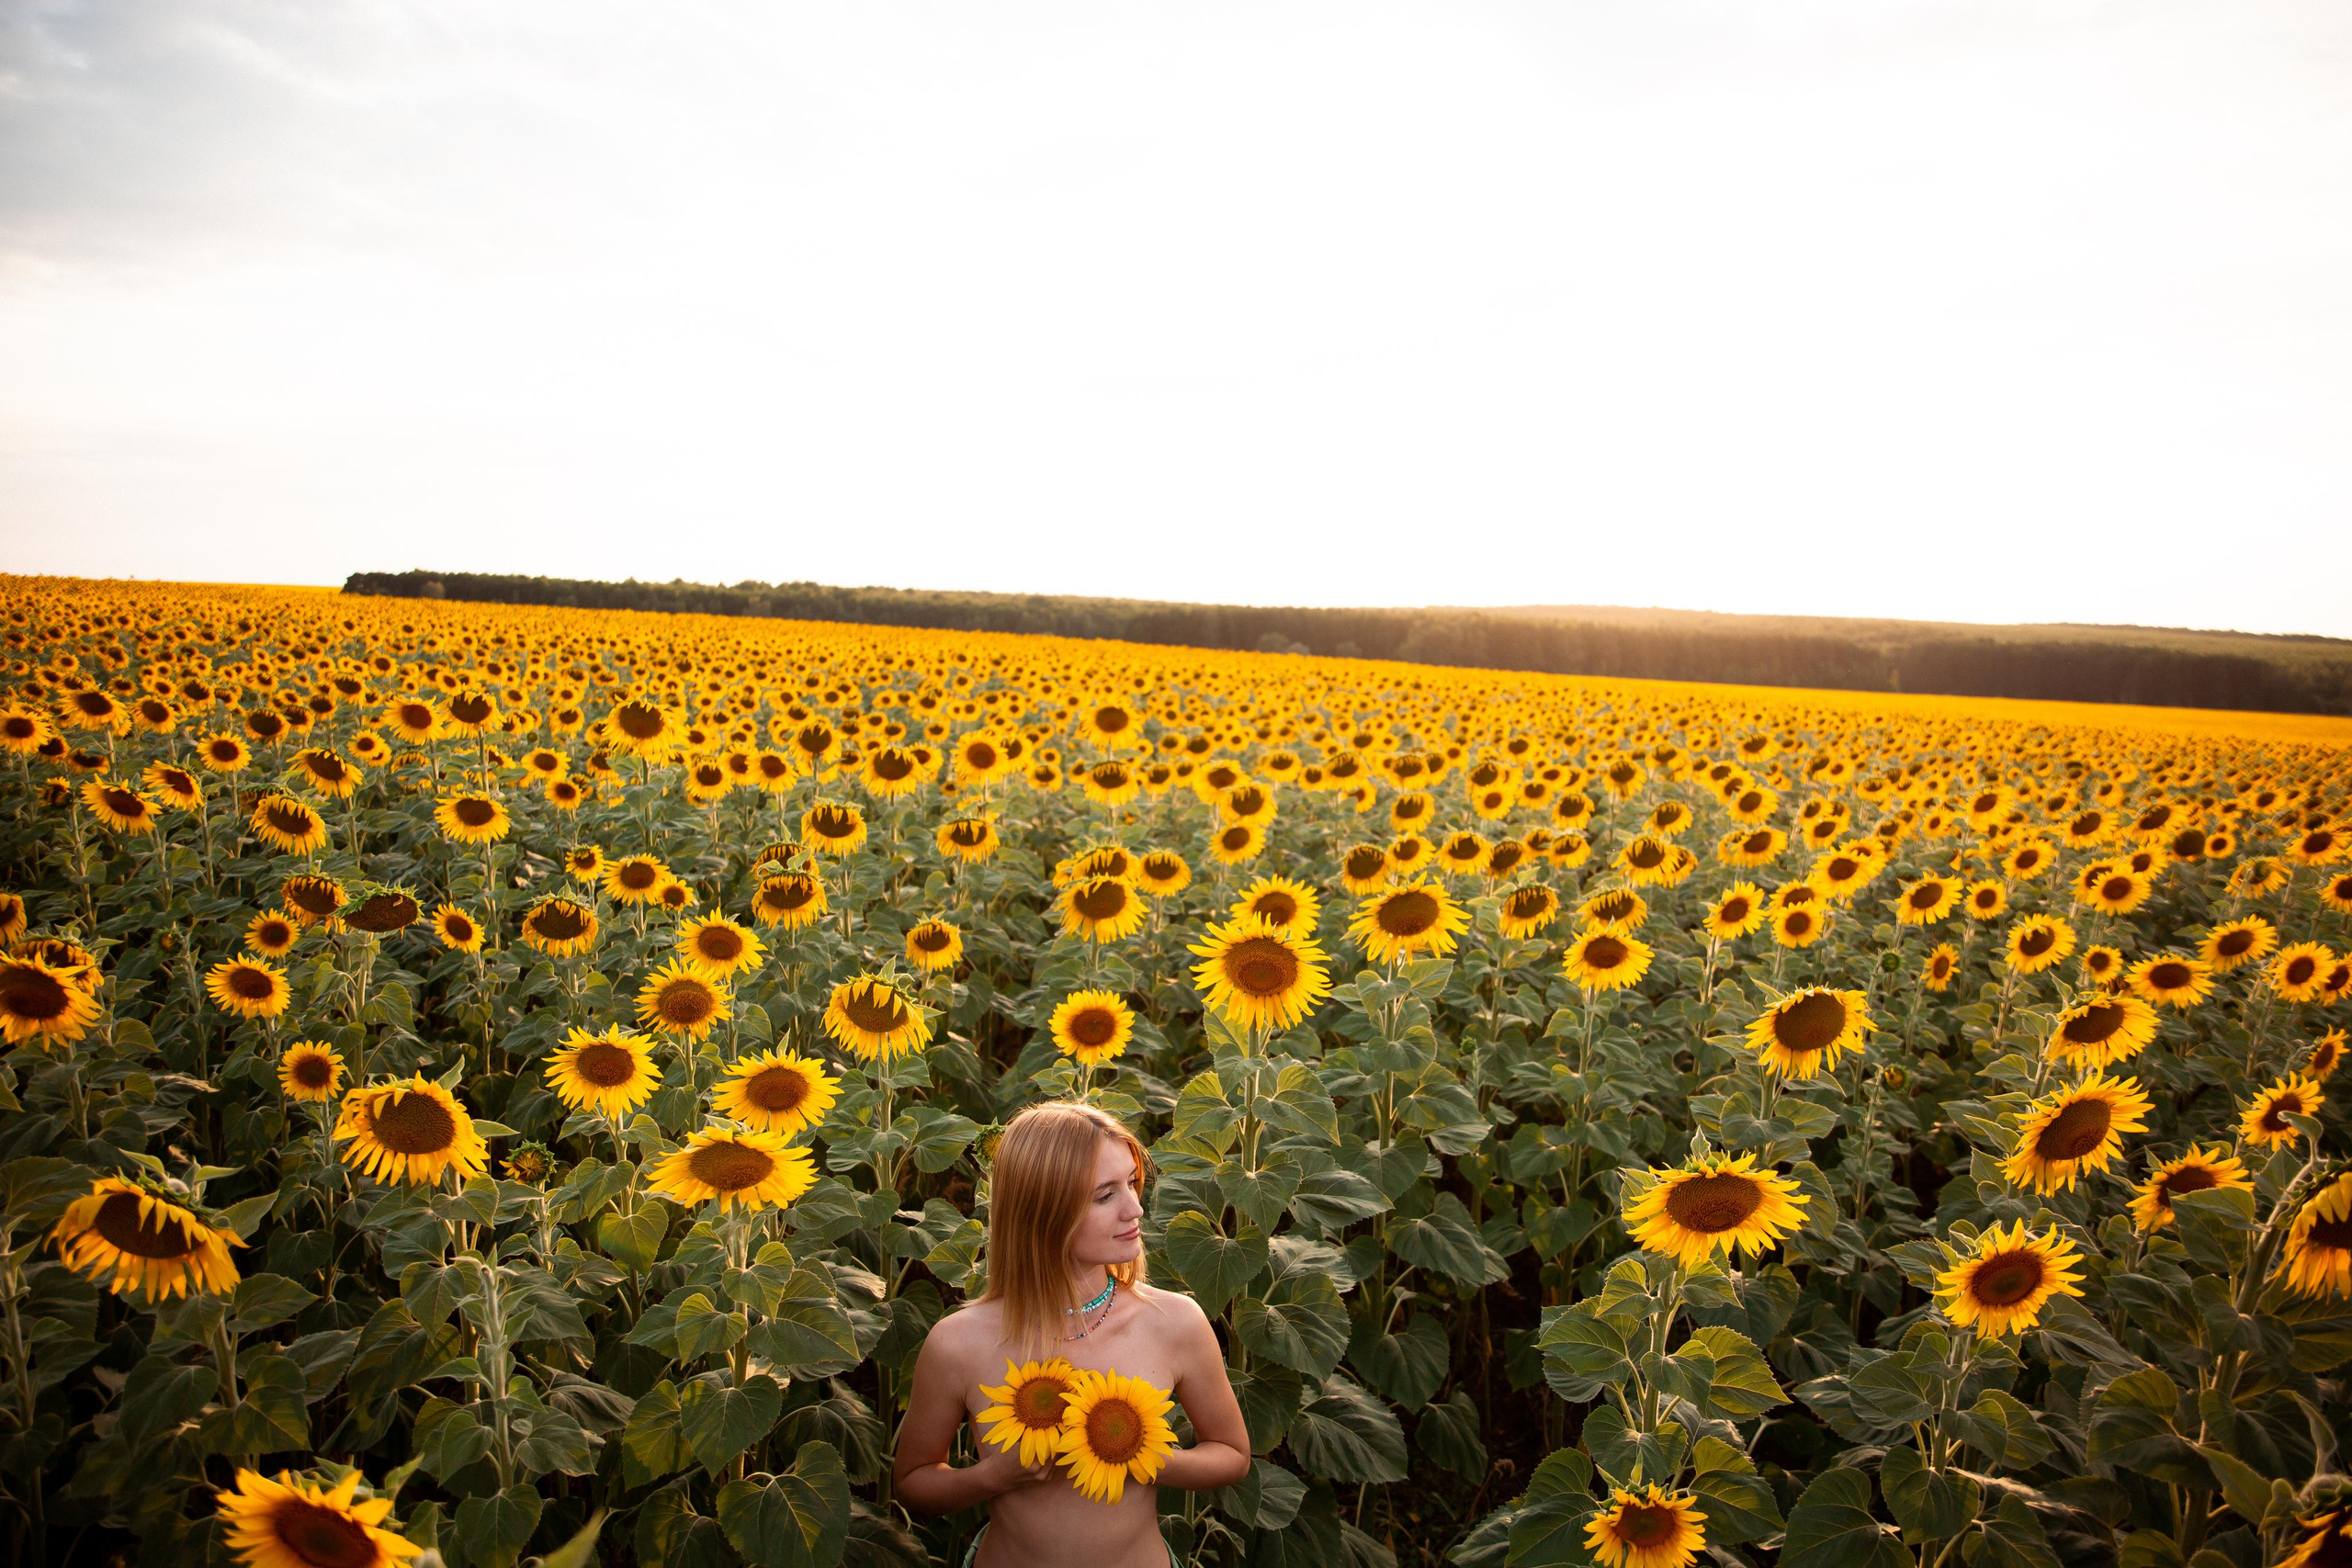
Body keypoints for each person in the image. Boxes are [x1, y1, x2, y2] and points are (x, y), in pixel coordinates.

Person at [895, 1101, 1251, 1566]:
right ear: (1041, 1210)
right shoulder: (960, 1341)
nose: (1135, 1208)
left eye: (1132, 1183)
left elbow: (1232, 1454)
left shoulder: (1173, 1321)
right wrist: (993, 1477)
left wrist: (1145, 1456)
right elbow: (913, 1481)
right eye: (1105, 1196)